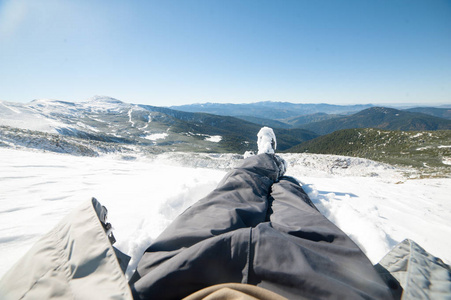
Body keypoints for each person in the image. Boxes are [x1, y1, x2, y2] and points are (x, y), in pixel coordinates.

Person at [129, 127, 394, 300]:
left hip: (171, 277)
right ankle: (277, 170)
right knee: (291, 201)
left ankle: (265, 164)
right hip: (326, 282)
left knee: (232, 191)